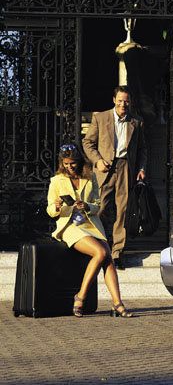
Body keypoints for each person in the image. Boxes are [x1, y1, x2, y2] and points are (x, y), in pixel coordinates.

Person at [47, 143, 133, 317]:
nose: (69, 167)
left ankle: (117, 303)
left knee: (108, 258)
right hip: (70, 226)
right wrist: (56, 206)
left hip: (90, 224)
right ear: (61, 163)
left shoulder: (90, 177)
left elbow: (98, 204)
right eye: (66, 164)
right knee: (100, 253)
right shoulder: (56, 181)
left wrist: (87, 206)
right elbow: (50, 210)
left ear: (79, 162)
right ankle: (80, 297)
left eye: (72, 163)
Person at [82, 85, 147, 270]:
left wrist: (141, 168)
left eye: (126, 101)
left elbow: (143, 149)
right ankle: (97, 248)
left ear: (130, 102)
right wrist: (97, 161)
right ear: (114, 100)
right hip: (104, 169)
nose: (123, 104)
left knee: (123, 211)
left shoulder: (137, 122)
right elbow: (87, 143)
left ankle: (118, 253)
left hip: (126, 167)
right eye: (120, 101)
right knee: (98, 208)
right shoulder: (100, 118)